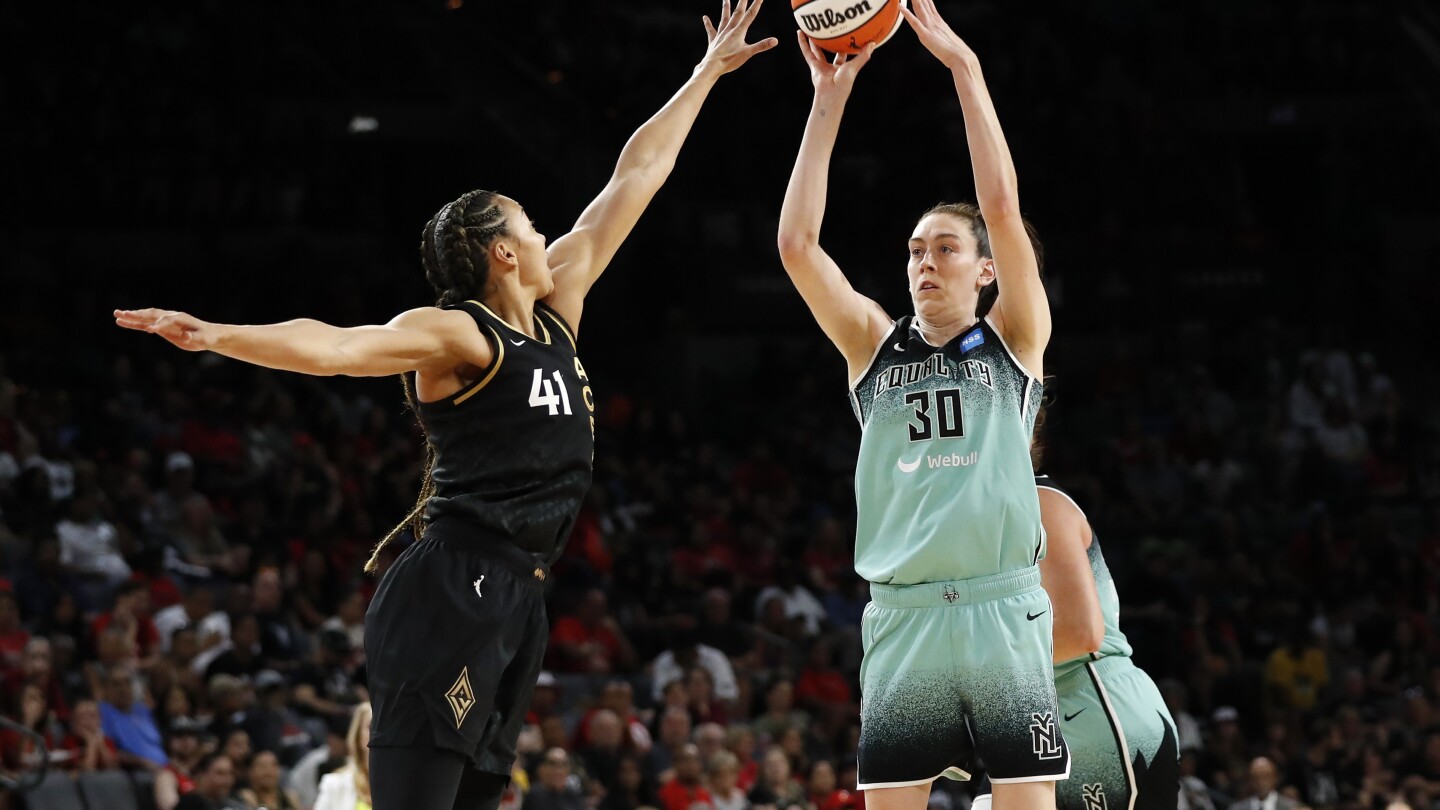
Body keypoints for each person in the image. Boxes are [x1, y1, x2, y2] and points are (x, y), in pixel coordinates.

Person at [114, 3, 775, 807]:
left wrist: (704, 75)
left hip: (520, 592)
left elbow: (632, 179)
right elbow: (337, 347)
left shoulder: (558, 305)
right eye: (528, 223)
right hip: (453, 584)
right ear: (501, 251)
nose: (543, 232)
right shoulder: (461, 334)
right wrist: (216, 334)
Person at [775, 1, 1065, 808]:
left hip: (1001, 608)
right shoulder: (873, 345)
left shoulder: (1013, 338)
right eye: (913, 249)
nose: (923, 261)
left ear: (984, 272)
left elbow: (1001, 208)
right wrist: (827, 100)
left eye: (944, 248)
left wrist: (964, 70)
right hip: (904, 620)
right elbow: (797, 247)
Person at [973, 455, 1180, 810]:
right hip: (1031, 718)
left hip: (1090, 703)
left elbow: (1079, 632)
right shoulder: (972, 515)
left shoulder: (1037, 499)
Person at [315, 702, 373, 810]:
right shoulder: (334, 784)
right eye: (371, 727)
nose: (378, 733)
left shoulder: (404, 783)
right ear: (358, 737)